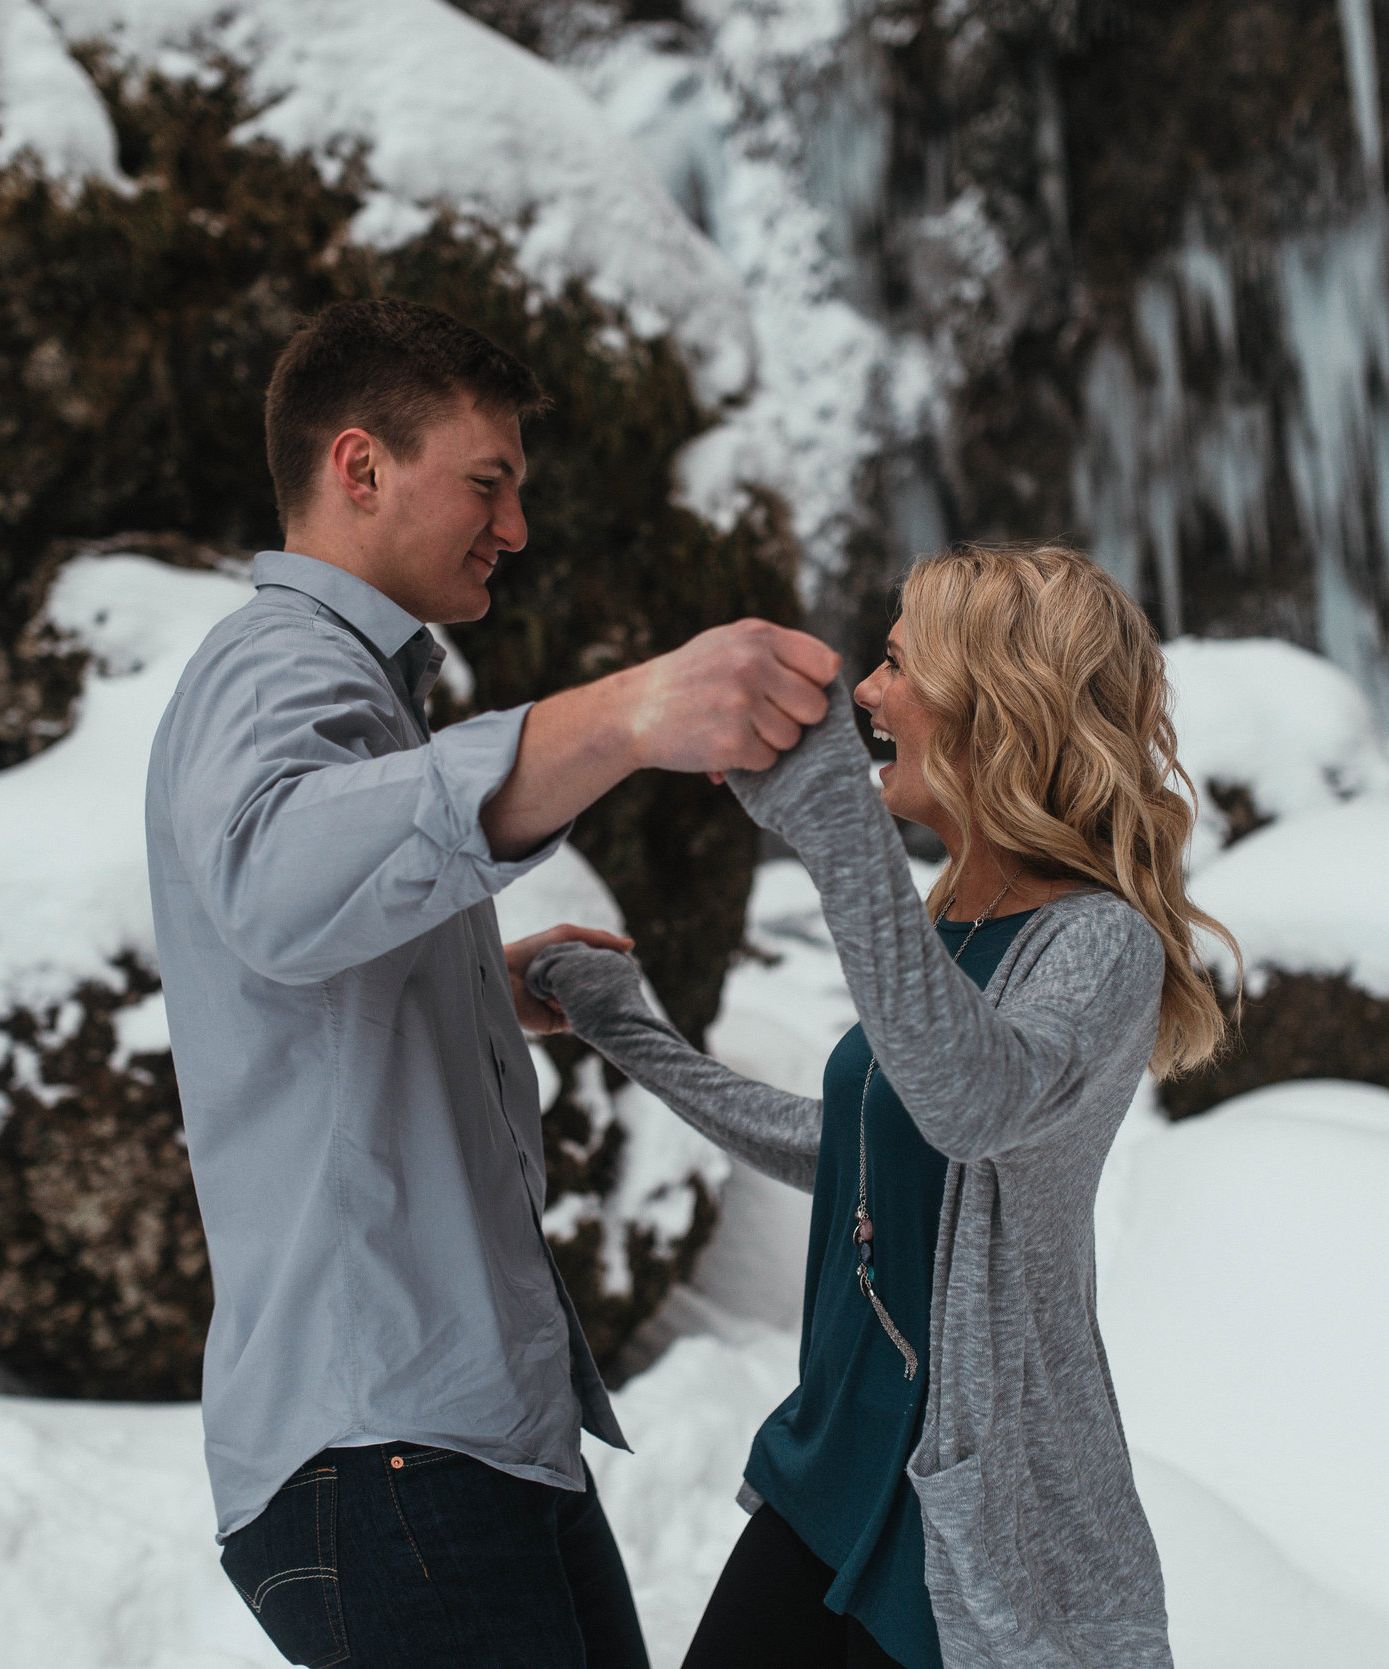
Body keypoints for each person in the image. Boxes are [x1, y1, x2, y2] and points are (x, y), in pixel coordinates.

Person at [145, 297, 840, 1669]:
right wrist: (628, 713)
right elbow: (282, 883)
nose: (515, 527)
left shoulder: (342, 680)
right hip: (387, 1446)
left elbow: (317, 929)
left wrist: (469, 979)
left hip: (454, 1437)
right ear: (359, 468)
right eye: (488, 480)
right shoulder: (278, 661)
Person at [529, 542, 1238, 1669]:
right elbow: (855, 1146)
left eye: (899, 662)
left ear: (994, 704)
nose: (864, 692)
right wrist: (629, 1028)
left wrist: (830, 821)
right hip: (834, 1464)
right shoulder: (950, 920)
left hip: (973, 1509)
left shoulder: (1096, 944)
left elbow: (971, 1104)